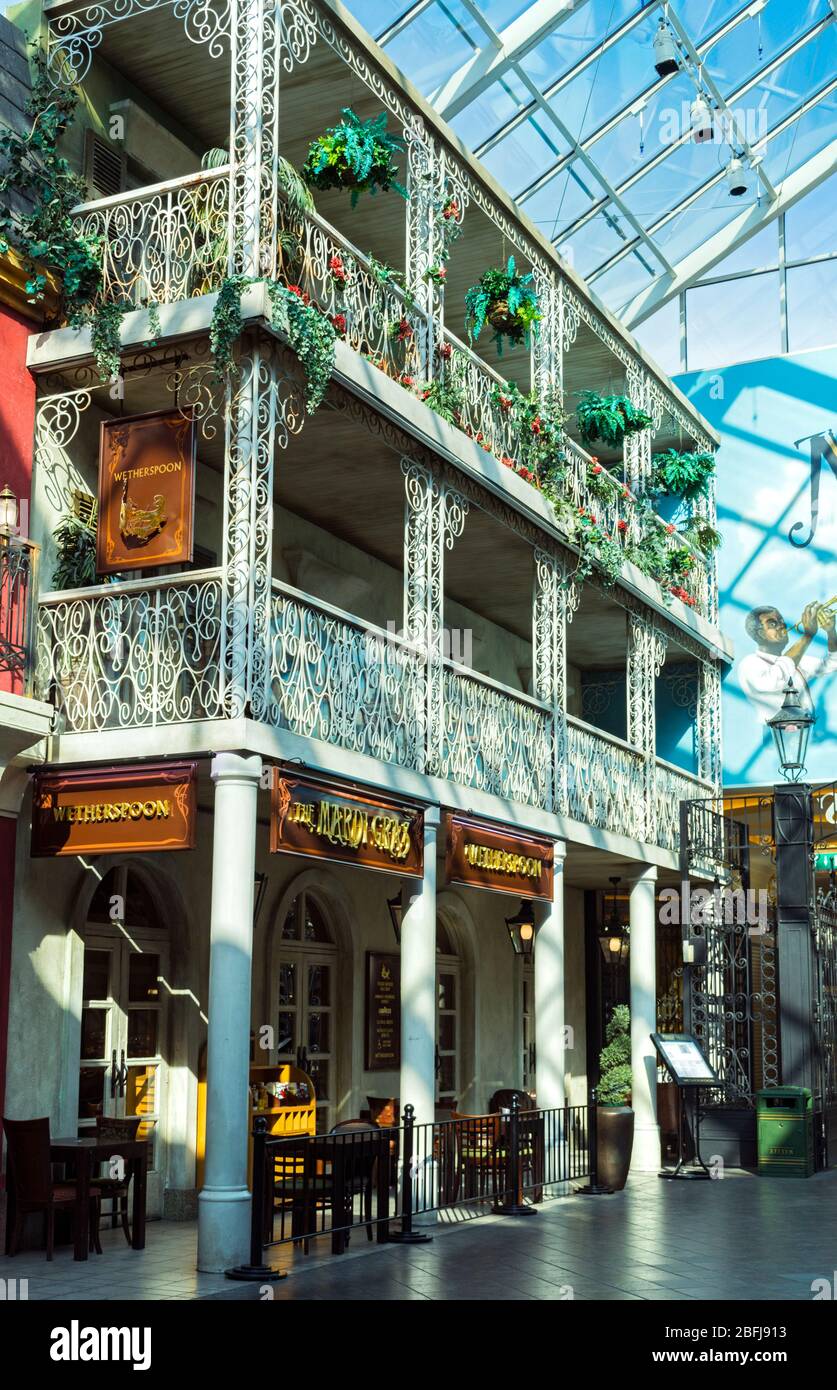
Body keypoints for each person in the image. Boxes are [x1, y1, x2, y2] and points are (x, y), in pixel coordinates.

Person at [738, 602, 837, 722]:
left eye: (781, 621)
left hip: (804, 731)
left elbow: (832, 663)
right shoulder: (750, 663)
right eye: (772, 624)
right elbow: (774, 680)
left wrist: (831, 631)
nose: (781, 626)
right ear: (760, 633)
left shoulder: (798, 662)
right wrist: (808, 635)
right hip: (779, 734)